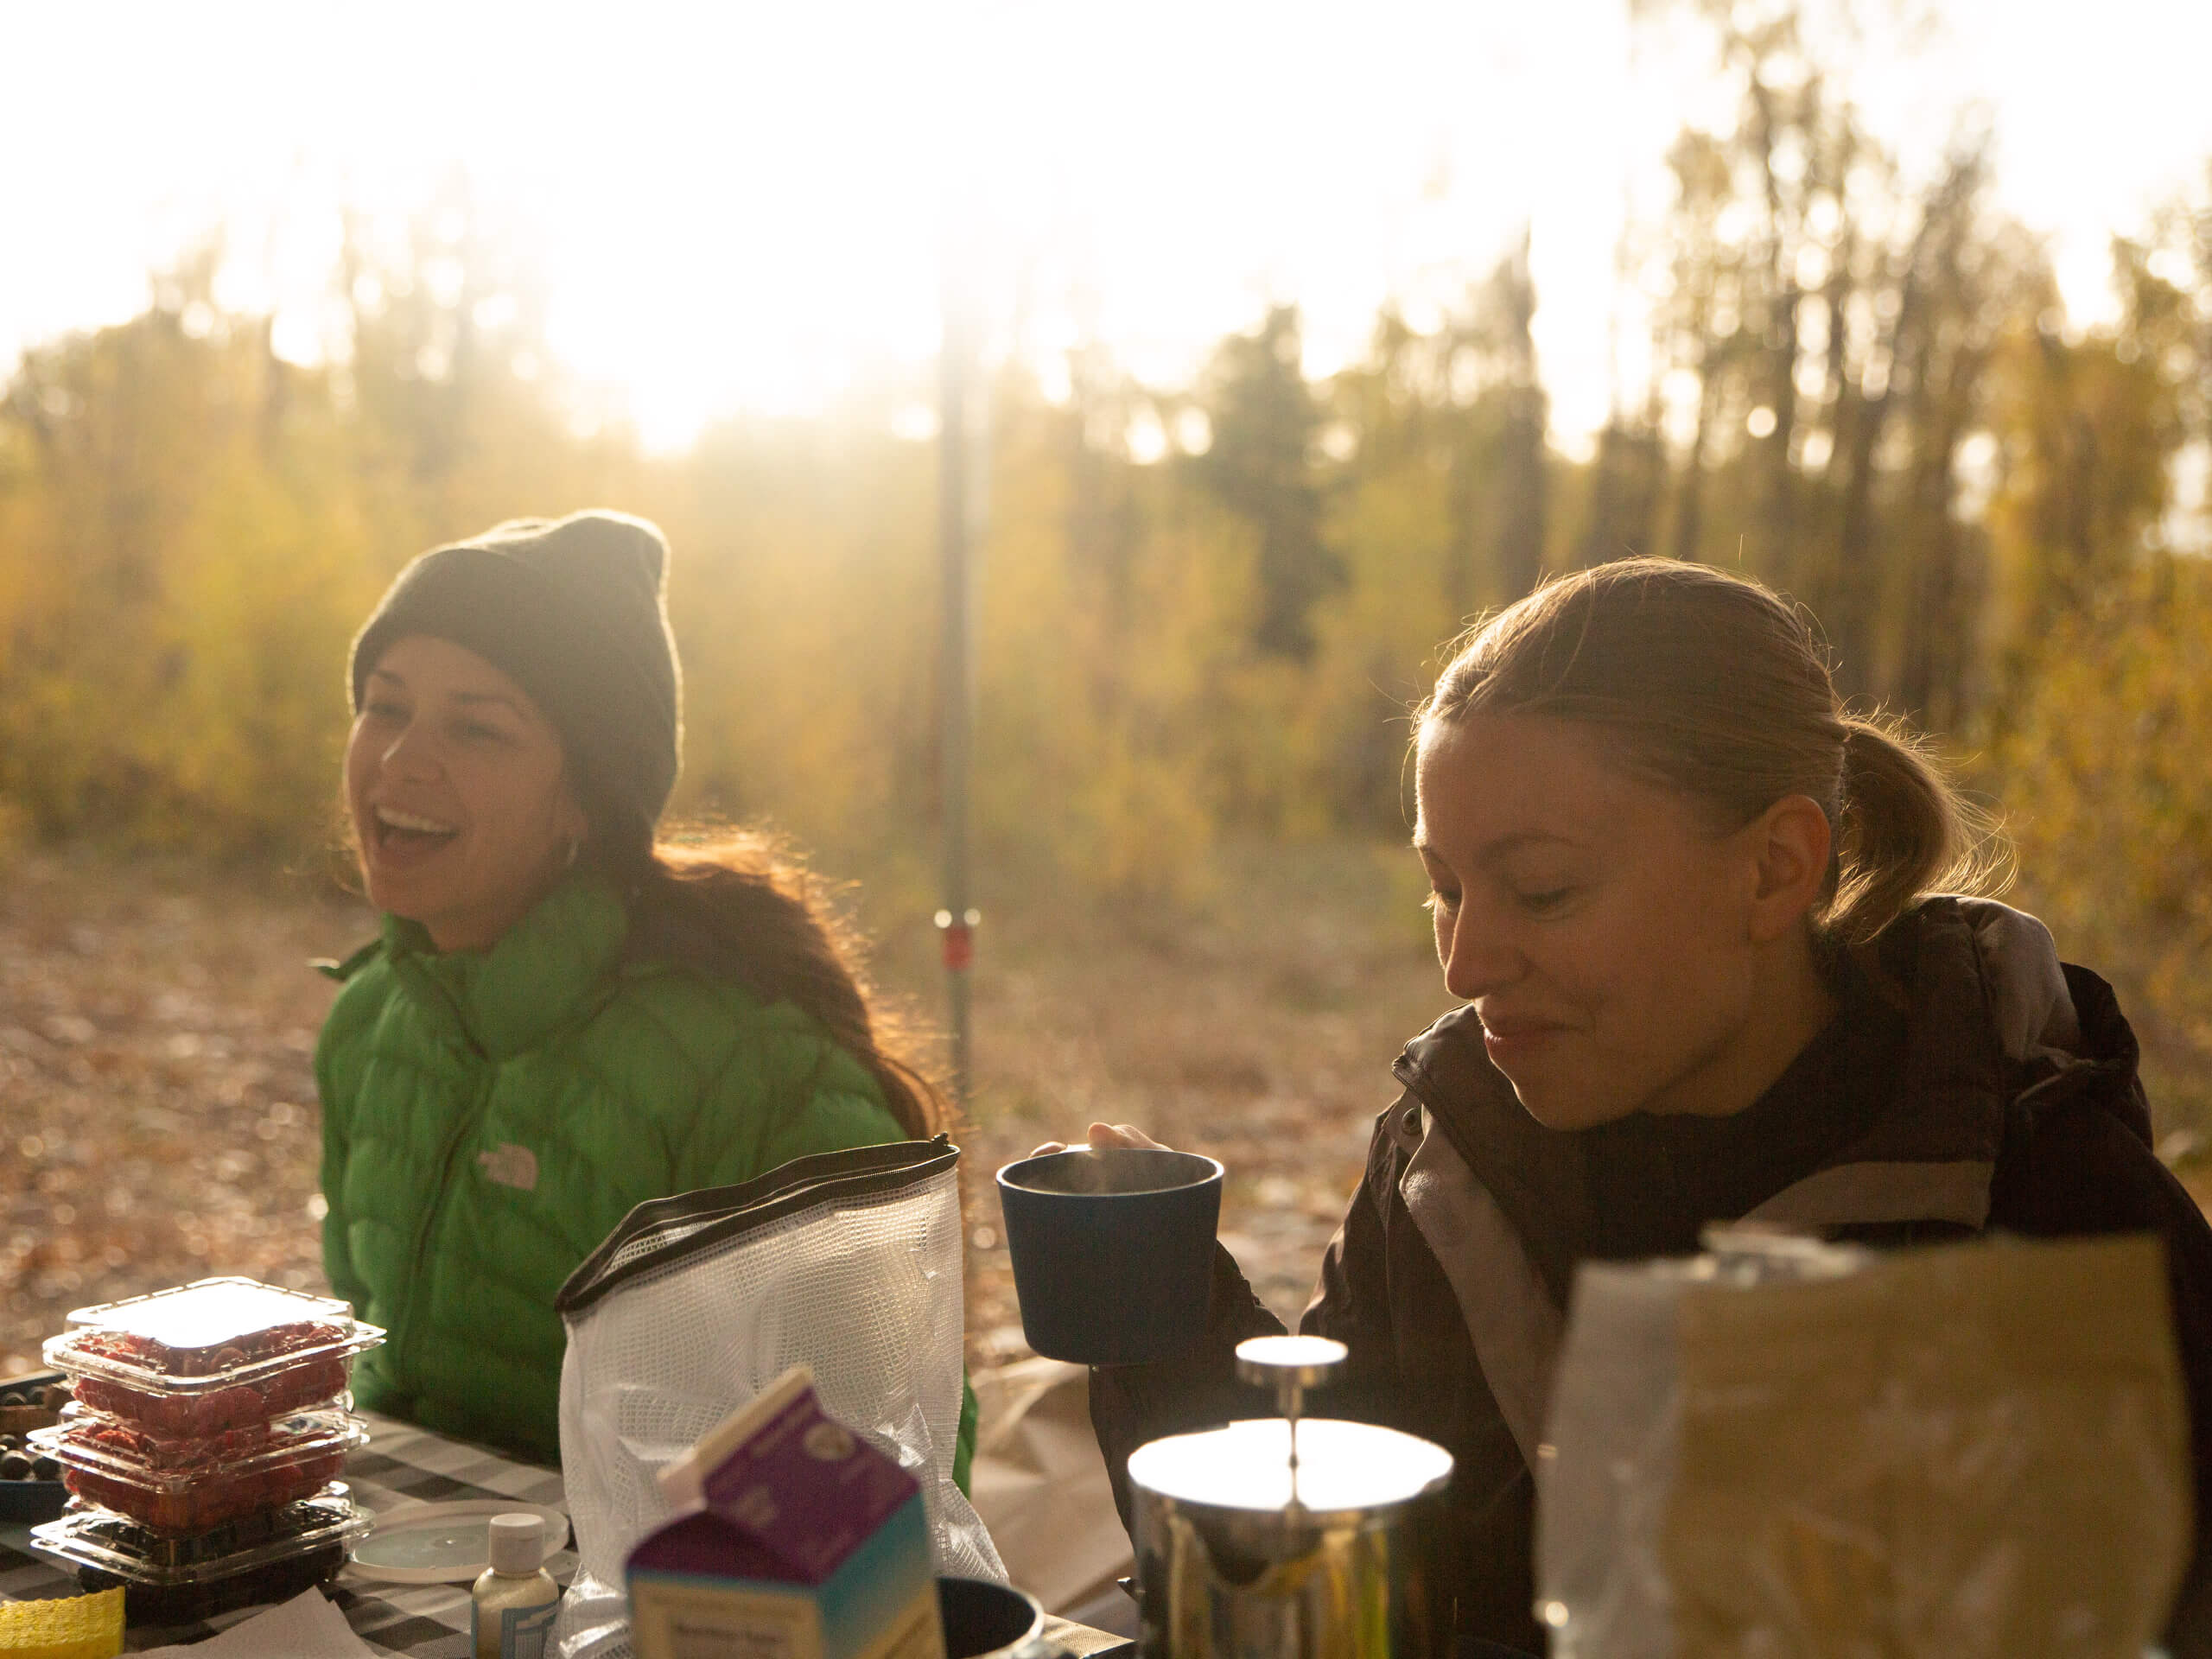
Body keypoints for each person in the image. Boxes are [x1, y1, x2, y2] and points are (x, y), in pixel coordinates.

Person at [1067, 557, 2212, 1656]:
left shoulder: (2046, 1213)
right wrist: (1164, 1320)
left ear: (1773, 871)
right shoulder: (1451, 1157)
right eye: (1446, 889)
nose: (1465, 967)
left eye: (1543, 890)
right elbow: (1323, 1527)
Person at [315, 510, 952, 1466]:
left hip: (663, 1604)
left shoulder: (749, 1073)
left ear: (585, 799)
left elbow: (898, 1462)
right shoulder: (371, 1021)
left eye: (478, 728)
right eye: (384, 704)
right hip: (402, 1575)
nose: (403, 758)